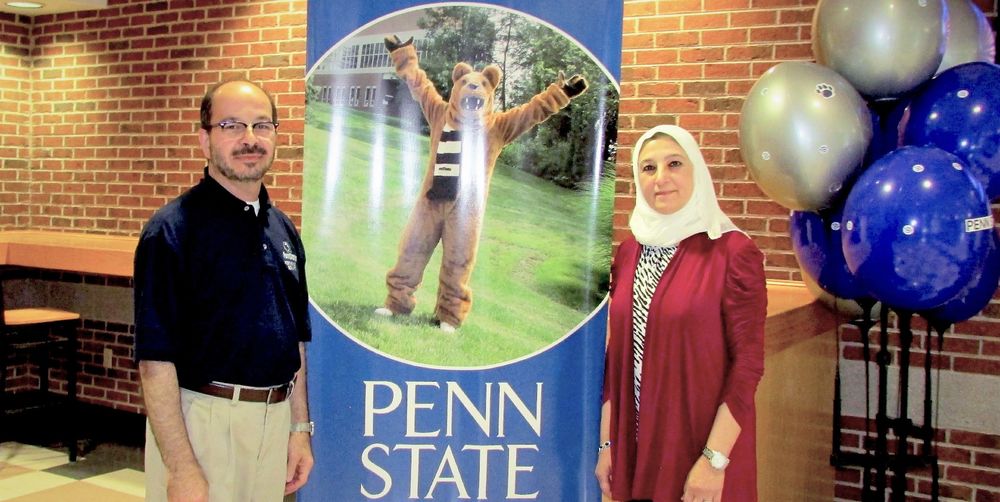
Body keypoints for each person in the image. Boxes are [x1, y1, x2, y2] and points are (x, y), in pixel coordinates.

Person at [134, 79, 314, 502]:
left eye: (261, 126)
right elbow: (154, 362)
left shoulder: (282, 228)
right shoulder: (172, 231)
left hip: (274, 422)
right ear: (205, 139)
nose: (249, 140)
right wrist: (181, 467)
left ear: (275, 136)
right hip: (203, 425)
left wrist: (299, 430)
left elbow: (297, 343)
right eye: (231, 125)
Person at [595, 125, 766, 502]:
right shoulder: (628, 253)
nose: (661, 179)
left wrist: (714, 459)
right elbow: (616, 358)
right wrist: (607, 444)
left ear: (697, 171)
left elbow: (748, 365)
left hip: (700, 449)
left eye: (674, 164)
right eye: (648, 168)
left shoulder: (733, 253)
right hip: (635, 450)